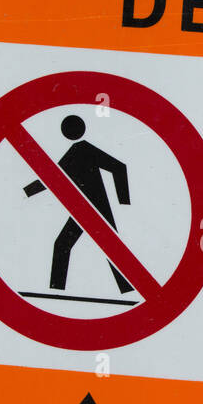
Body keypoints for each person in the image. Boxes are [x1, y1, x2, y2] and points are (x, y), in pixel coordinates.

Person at [24, 115, 133, 293]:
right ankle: (56, 289)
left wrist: (124, 201)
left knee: (110, 251)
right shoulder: (74, 151)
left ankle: (130, 288)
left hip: (97, 209)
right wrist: (26, 192)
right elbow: (51, 178)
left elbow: (118, 167)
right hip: (83, 210)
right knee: (64, 245)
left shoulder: (83, 149)